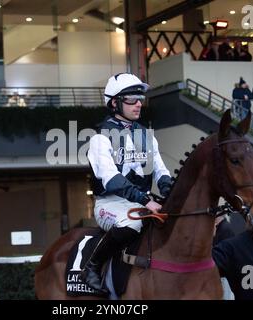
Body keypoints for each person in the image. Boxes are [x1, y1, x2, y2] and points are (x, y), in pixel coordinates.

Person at [81, 73, 173, 293]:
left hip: (143, 203)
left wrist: (169, 190)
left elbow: (160, 170)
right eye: (131, 98)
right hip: (110, 204)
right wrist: (144, 199)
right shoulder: (100, 137)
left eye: (140, 98)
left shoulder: (146, 134)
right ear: (115, 102)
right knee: (132, 224)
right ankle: (91, 267)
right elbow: (111, 179)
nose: (139, 103)